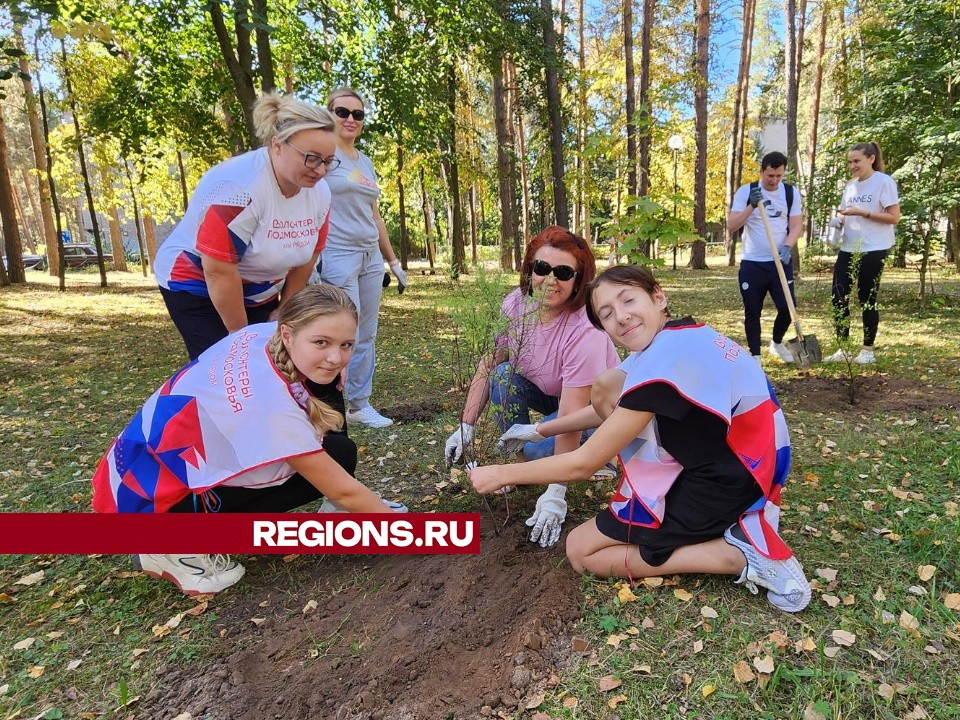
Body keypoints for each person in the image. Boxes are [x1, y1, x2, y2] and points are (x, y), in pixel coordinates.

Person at [470, 266, 811, 613]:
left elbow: (584, 463)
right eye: (607, 314)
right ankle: (719, 528)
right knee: (609, 384)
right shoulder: (677, 336)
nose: (621, 317)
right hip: (749, 462)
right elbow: (618, 409)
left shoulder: (663, 362)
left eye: (628, 300)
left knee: (582, 551)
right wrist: (539, 430)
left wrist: (501, 473)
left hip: (725, 483)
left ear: (658, 297)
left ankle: (736, 556)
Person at [91, 285, 404, 596]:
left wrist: (325, 359)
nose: (336, 357)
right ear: (287, 335)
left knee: (340, 453)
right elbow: (343, 489)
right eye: (322, 342)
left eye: (346, 344)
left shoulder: (258, 336)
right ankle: (167, 547)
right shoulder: (272, 410)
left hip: (135, 465)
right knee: (330, 469)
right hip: (147, 506)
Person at [446, 226, 620, 548]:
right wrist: (466, 426)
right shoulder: (514, 306)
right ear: (529, 270)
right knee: (502, 376)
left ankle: (601, 455)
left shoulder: (585, 331)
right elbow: (489, 361)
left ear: (578, 280)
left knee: (541, 451)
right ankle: (521, 465)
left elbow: (571, 412)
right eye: (542, 268)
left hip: (593, 412)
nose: (550, 280)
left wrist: (556, 491)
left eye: (564, 272)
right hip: (548, 394)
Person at [154, 92, 337, 361]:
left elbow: (309, 257)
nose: (320, 170)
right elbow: (218, 271)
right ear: (277, 145)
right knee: (229, 366)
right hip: (197, 282)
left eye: (328, 161)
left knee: (275, 362)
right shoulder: (236, 188)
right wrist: (241, 339)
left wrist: (283, 311)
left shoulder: (319, 193)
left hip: (259, 285)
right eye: (311, 158)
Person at [316, 87, 406, 429]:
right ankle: (326, 402)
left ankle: (358, 404)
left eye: (358, 114)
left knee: (366, 333)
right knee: (342, 330)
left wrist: (393, 261)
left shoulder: (363, 161)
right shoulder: (323, 156)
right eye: (343, 112)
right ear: (330, 115)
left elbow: (375, 215)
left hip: (370, 256)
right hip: (338, 254)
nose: (351, 119)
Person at [824, 142, 901, 365]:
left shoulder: (884, 182)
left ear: (871, 159)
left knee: (867, 298)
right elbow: (846, 213)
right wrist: (839, 221)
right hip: (849, 246)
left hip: (874, 247)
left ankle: (867, 350)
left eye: (856, 161)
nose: (852, 166)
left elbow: (894, 217)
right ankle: (844, 348)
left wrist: (863, 212)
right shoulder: (850, 186)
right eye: (850, 162)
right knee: (839, 295)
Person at [727, 151, 803, 364]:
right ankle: (755, 356)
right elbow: (732, 225)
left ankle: (776, 343)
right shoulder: (746, 191)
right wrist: (751, 205)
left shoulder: (790, 193)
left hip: (779, 262)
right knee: (753, 310)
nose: (774, 180)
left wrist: (788, 245)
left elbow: (796, 225)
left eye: (779, 176)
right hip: (753, 263)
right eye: (770, 175)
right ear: (762, 171)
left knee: (787, 309)